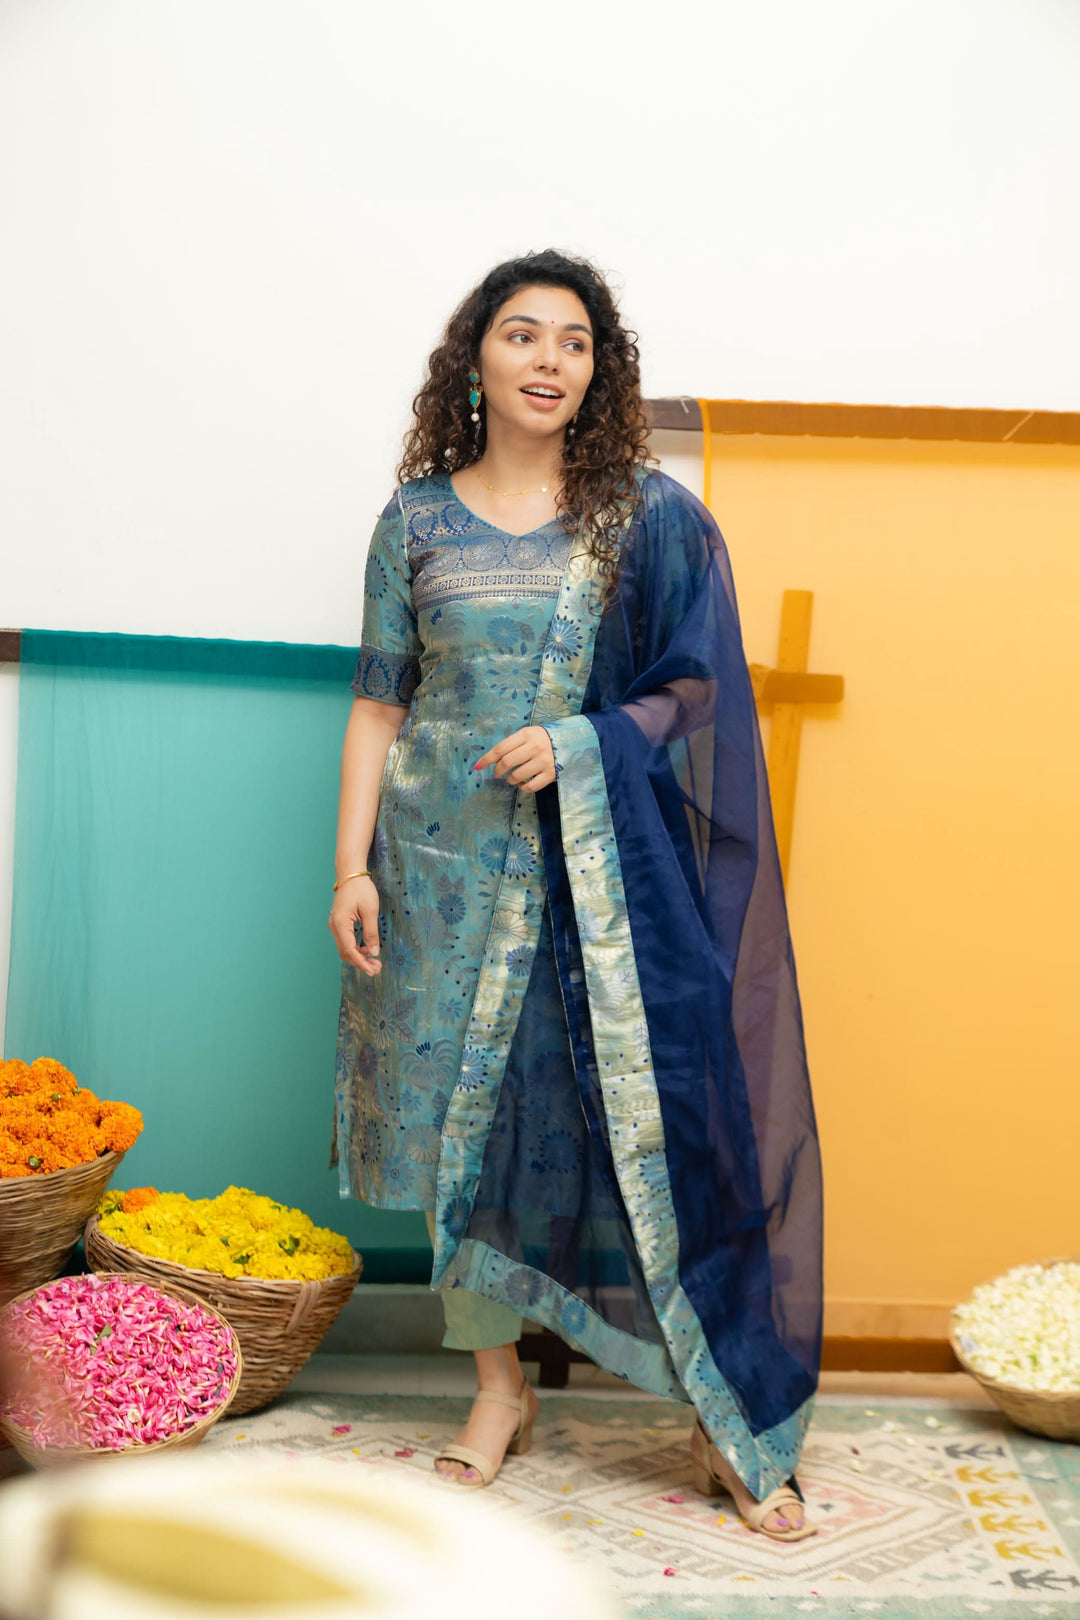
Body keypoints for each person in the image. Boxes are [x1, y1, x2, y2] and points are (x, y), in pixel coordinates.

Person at [329, 250, 823, 1540]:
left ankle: (722, 1407)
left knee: (661, 1124)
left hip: (595, 882)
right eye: (521, 334)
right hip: (436, 873)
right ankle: (497, 1390)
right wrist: (350, 868)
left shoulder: (645, 519)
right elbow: (380, 703)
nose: (548, 359)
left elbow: (697, 687)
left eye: (575, 342)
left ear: (599, 373)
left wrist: (586, 739)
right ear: (474, 360)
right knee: (460, 1135)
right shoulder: (413, 521)